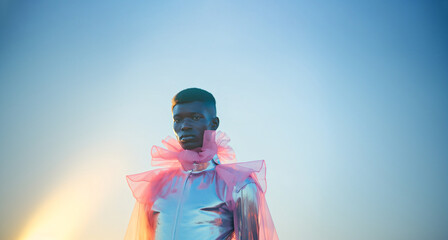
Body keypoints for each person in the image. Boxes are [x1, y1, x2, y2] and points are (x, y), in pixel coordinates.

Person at [124, 88, 278, 240]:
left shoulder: (239, 185)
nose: (184, 126)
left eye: (195, 117)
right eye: (177, 120)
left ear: (214, 123)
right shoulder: (156, 186)